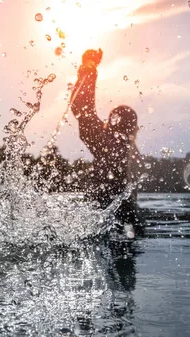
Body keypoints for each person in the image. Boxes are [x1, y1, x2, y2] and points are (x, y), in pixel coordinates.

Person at [70, 49, 143, 228]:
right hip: (130, 223)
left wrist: (89, 71)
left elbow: (81, 109)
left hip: (106, 221)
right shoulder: (132, 152)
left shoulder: (108, 142)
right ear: (135, 129)